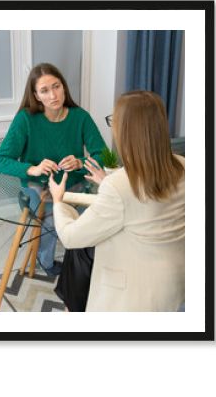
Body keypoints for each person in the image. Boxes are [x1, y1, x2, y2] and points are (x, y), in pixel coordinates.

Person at [49, 90, 185, 311]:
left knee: (79, 250)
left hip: (136, 291)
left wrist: (58, 202)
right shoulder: (184, 166)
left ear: (127, 131)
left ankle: (71, 309)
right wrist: (107, 182)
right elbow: (147, 202)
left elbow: (70, 236)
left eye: (115, 121)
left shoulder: (120, 185)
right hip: (177, 279)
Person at [0, 63, 106, 276]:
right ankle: (46, 261)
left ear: (64, 87)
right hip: (37, 187)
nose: (53, 95)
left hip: (74, 185)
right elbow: (0, 160)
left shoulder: (80, 117)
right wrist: (33, 168)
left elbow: (103, 154)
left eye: (56, 86)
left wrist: (81, 162)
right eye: (45, 90)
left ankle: (81, 263)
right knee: (52, 216)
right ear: (36, 95)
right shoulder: (26, 119)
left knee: (93, 218)